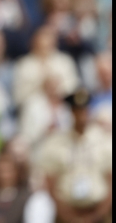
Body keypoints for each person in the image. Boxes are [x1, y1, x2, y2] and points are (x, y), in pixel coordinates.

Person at [36, 89, 113, 223]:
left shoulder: (104, 140)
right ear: (71, 112)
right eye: (77, 111)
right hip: (67, 212)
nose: (81, 116)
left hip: (98, 211)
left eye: (84, 110)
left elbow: (110, 180)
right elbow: (50, 183)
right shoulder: (56, 142)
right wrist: (68, 216)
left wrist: (99, 214)